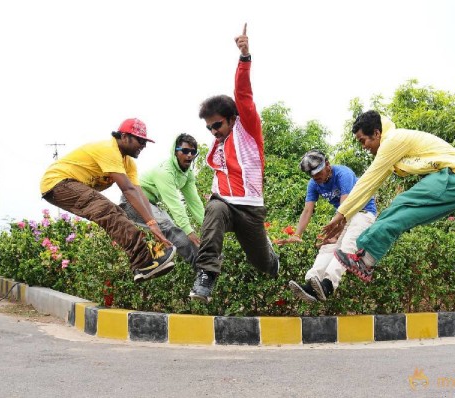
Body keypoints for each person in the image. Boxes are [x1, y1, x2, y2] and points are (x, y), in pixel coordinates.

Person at [322, 110, 455, 283]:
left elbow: (367, 181)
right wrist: (344, 215)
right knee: (401, 214)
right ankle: (366, 262)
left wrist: (340, 214)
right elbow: (370, 187)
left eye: (363, 141)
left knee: (402, 203)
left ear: (376, 133)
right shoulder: (391, 147)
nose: (364, 147)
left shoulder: (393, 141)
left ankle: (364, 260)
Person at [190, 23, 279, 303]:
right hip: (225, 204)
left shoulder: (248, 130)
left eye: (217, 125)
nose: (213, 131)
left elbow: (243, 95)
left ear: (231, 118)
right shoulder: (217, 146)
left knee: (262, 264)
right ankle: (206, 275)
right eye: (208, 128)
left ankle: (270, 256)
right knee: (214, 208)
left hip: (250, 210)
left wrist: (244, 57)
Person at [40, 118, 176, 283]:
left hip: (67, 186)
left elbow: (139, 194)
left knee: (118, 213)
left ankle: (140, 267)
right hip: (58, 183)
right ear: (124, 137)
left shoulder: (128, 164)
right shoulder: (109, 150)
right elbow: (127, 189)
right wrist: (151, 225)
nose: (143, 146)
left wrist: (154, 225)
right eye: (140, 141)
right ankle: (145, 262)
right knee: (106, 210)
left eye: (145, 142)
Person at [276, 150, 377, 302]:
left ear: (327, 165)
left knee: (346, 248)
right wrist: (297, 235)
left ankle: (328, 285)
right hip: (342, 216)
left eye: (318, 172)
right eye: (312, 175)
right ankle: (312, 283)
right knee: (327, 247)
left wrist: (336, 233)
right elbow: (307, 210)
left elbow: (346, 207)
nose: (316, 177)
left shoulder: (343, 174)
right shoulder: (314, 184)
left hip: (362, 213)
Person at [120, 133, 204, 267]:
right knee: (169, 227)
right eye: (185, 151)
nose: (189, 155)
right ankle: (201, 265)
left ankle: (161, 258)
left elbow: (195, 203)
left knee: (173, 230)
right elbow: (175, 205)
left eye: (193, 152)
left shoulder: (187, 174)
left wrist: (209, 227)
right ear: (175, 152)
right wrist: (190, 231)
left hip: (149, 203)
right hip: (133, 201)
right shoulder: (165, 171)